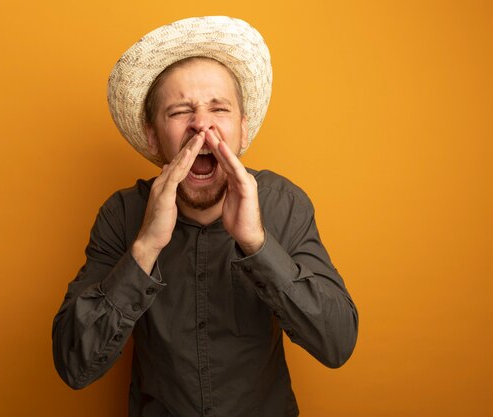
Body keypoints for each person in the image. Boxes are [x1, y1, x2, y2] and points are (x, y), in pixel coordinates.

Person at [52, 16, 358, 417]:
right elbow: (74, 366)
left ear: (243, 131)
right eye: (181, 111)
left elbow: (337, 344)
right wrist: (145, 248)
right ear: (152, 136)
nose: (202, 124)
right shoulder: (123, 214)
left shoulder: (284, 204)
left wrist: (257, 244)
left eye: (219, 108)